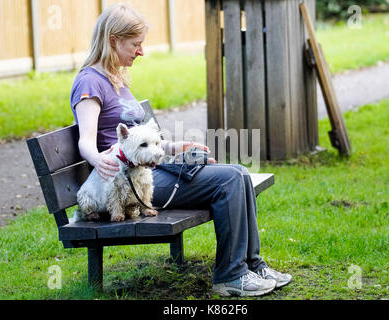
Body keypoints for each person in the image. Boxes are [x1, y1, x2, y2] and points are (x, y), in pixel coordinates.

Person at [70, 3, 292, 297]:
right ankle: (231, 275)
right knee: (228, 180)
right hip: (130, 185)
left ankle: (252, 264)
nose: (141, 52)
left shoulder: (117, 80)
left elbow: (141, 139)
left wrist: (174, 146)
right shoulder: (89, 82)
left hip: (150, 171)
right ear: (114, 40)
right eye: (135, 44)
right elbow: (85, 139)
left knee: (238, 172)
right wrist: (97, 159)